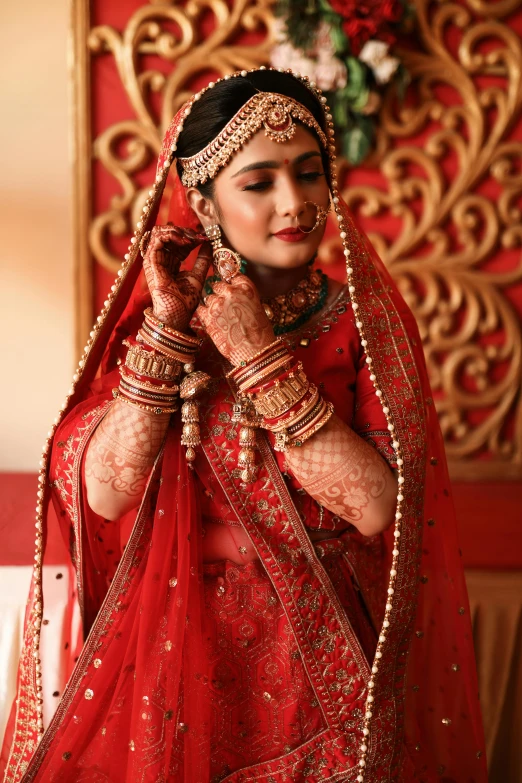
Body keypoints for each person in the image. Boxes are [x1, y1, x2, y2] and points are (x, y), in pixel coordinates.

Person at [1, 68, 487, 783]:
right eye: (259, 184)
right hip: (175, 658)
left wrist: (259, 356)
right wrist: (168, 334)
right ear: (203, 202)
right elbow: (99, 494)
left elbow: (379, 504)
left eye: (308, 174)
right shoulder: (160, 320)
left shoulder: (362, 322)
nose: (295, 203)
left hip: (319, 667)